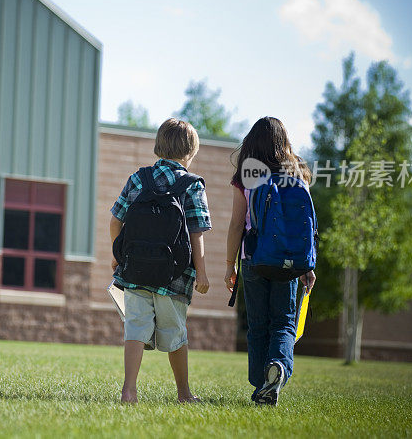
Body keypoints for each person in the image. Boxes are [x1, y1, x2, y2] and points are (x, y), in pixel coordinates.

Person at [109, 118, 212, 404]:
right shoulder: (192, 185)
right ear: (191, 152)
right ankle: (183, 393)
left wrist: (117, 258)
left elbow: (115, 219)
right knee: (175, 334)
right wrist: (201, 273)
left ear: (158, 147)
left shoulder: (138, 178)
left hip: (136, 273)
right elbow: (196, 232)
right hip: (174, 277)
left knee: (135, 329)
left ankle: (129, 390)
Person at [224, 116, 317, 406]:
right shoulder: (298, 173)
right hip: (289, 263)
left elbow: (237, 225)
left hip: (253, 259)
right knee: (284, 323)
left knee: (258, 325)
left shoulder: (247, 176)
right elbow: (306, 225)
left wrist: (230, 264)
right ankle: (276, 368)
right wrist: (308, 265)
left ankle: (260, 386)